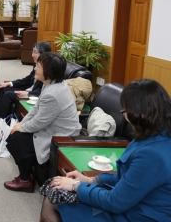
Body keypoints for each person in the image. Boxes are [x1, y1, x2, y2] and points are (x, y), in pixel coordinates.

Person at [40, 79, 171, 221]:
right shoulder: (156, 134)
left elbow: (115, 202)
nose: (125, 116)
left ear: (139, 113)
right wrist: (92, 179)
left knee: (54, 199)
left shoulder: (151, 154)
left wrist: (77, 186)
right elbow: (129, 178)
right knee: (56, 193)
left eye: (124, 111)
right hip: (130, 204)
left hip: (136, 214)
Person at [4, 52, 81, 192]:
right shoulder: (50, 83)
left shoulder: (53, 93)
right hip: (51, 126)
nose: (35, 69)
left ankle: (26, 180)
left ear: (49, 72)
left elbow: (39, 122)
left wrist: (21, 128)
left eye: (38, 67)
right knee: (16, 133)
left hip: (61, 134)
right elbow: (36, 110)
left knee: (17, 139)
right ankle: (26, 174)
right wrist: (20, 124)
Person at [0, 41, 52, 137]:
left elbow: (43, 92)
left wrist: (27, 93)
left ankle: (1, 127)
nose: (32, 55)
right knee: (4, 89)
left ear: (43, 54)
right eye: (32, 51)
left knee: (8, 95)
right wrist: (9, 83)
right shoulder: (37, 65)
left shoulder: (48, 68)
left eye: (35, 52)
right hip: (30, 90)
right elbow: (27, 81)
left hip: (35, 95)